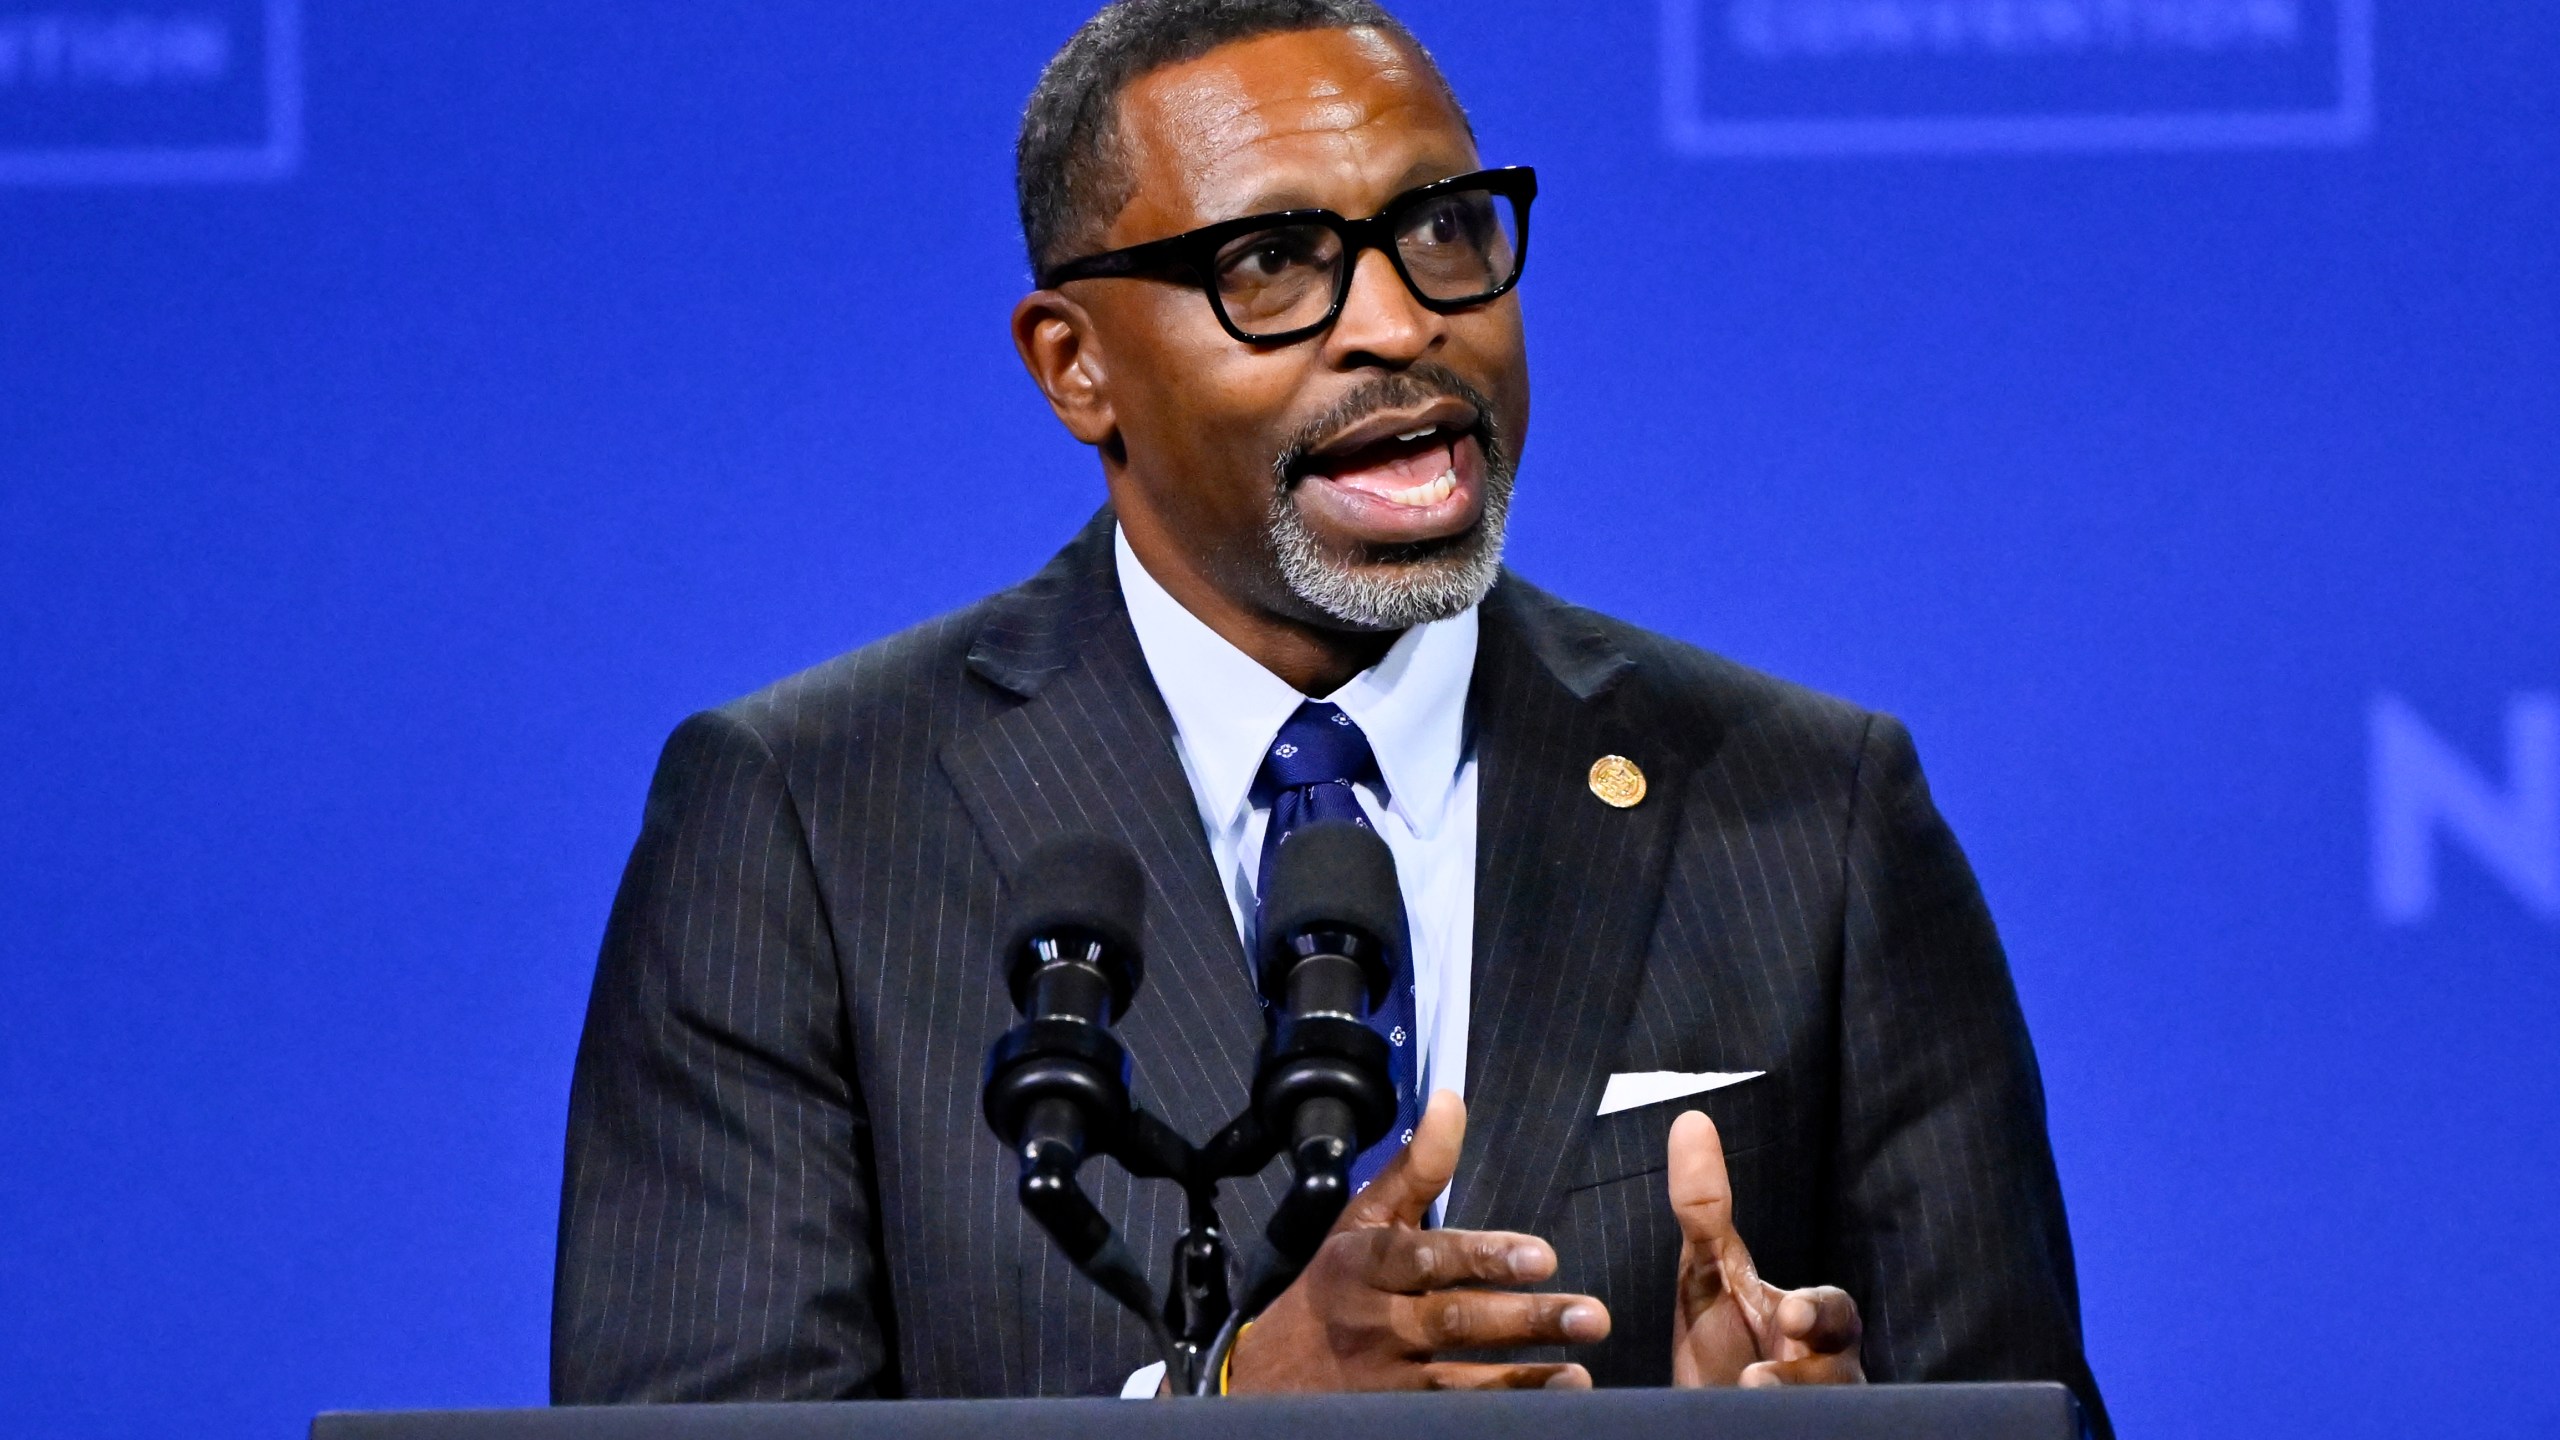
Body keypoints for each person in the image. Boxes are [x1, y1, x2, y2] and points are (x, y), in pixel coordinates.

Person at [551, 0, 2107, 1428]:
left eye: (1439, 229)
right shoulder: (807, 824)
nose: (1398, 321)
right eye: (1273, 265)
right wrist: (1228, 1410)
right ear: (1075, 366)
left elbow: (2021, 1415)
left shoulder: (1813, 806)